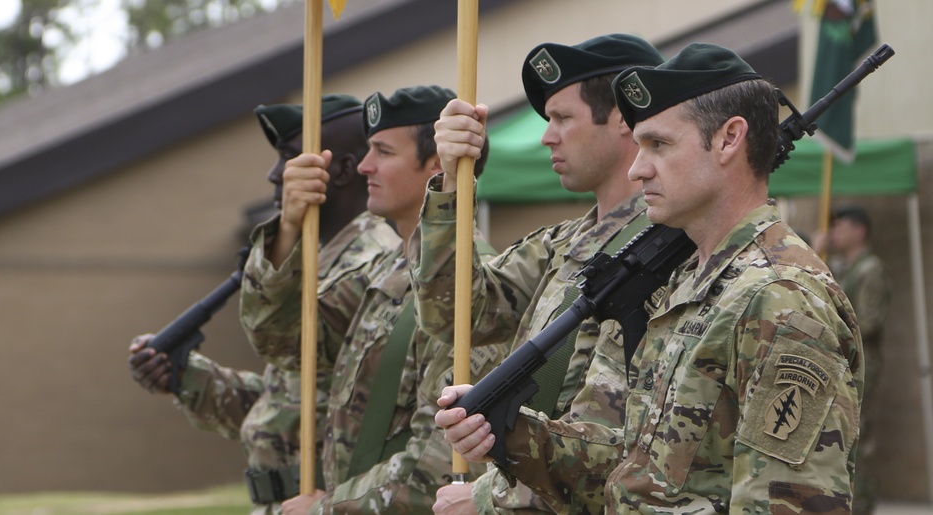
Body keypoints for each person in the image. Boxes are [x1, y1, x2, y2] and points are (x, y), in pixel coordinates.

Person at [436, 42, 864, 513]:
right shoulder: (693, 284)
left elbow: (786, 505)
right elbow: (639, 472)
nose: (638, 169)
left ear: (729, 138)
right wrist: (514, 433)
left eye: (658, 145)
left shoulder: (780, 298)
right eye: (639, 146)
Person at [409, 34, 664, 514]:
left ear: (627, 119)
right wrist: (448, 183)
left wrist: (492, 499)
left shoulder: (668, 248)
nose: (548, 136)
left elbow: (629, 439)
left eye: (563, 118)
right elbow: (455, 314)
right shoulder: (565, 243)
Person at [127, 95, 401, 514]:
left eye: (291, 160)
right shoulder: (320, 259)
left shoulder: (374, 262)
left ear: (343, 170)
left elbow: (281, 342)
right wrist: (185, 376)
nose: (275, 176)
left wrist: (286, 232)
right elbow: (293, 399)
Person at [268, 85, 506, 514]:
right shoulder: (390, 269)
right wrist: (286, 229)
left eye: (383, 152)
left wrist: (325, 510)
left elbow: (439, 462)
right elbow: (286, 343)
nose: (364, 166)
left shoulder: (471, 289)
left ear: (438, 164)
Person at [826, 205, 891, 515]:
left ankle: (862, 506)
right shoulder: (841, 266)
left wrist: (834, 323)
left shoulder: (870, 269)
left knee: (858, 435)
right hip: (838, 365)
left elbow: (869, 321)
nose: (835, 232)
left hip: (862, 367)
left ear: (859, 231)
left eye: (841, 226)